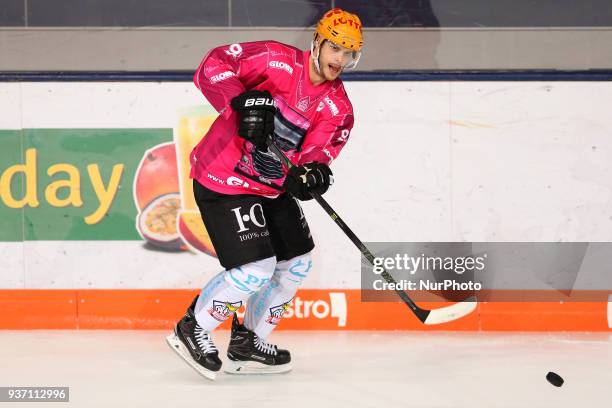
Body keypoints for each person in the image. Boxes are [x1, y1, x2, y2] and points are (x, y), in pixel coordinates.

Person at [166, 8, 363, 380]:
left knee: (297, 263)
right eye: (335, 47)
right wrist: (239, 100)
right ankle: (193, 327)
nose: (340, 59)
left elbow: (317, 153)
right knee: (256, 268)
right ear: (317, 42)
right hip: (223, 179)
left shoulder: (338, 108)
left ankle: (248, 343)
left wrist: (313, 174)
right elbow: (214, 64)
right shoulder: (275, 59)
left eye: (349, 53)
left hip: (269, 189)